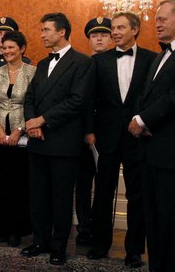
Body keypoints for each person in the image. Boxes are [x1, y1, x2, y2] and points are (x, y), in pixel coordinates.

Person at [21, 13, 93, 266]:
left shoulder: (82, 63)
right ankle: (40, 240)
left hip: (63, 142)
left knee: (61, 198)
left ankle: (58, 246)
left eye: (46, 30)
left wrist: (43, 120)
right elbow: (29, 98)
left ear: (62, 32)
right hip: (37, 141)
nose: (42, 35)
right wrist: (31, 123)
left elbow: (77, 101)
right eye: (42, 30)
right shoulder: (41, 63)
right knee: (38, 195)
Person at [87, 12, 154, 268]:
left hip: (138, 136)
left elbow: (154, 96)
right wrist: (89, 130)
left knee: (138, 195)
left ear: (135, 29)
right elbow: (89, 99)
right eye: (113, 28)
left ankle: (134, 250)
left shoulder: (151, 59)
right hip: (106, 135)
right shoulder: (99, 61)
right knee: (102, 192)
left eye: (120, 28)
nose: (114, 32)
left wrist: (146, 122)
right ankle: (98, 244)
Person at [128, 0, 175, 272]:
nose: (156, 24)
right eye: (155, 19)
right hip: (149, 150)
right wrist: (137, 117)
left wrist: (143, 119)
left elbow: (172, 98)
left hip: (169, 154)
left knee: (169, 220)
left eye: (162, 19)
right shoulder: (160, 56)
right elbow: (145, 95)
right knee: (154, 220)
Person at [0, 30, 35, 246]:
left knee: (18, 183)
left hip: (22, 137)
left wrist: (18, 130)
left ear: (22, 49)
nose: (6, 51)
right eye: (4, 48)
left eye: (11, 48)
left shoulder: (33, 72)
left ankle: (16, 229)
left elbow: (33, 104)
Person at [75, 17, 113, 246]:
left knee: (105, 184)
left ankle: (100, 228)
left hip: (109, 132)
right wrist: (87, 130)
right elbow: (83, 101)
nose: (99, 38)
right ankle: (83, 228)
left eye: (104, 34)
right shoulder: (82, 64)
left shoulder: (115, 64)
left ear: (111, 38)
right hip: (84, 133)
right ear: (89, 39)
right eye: (94, 35)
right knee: (83, 183)